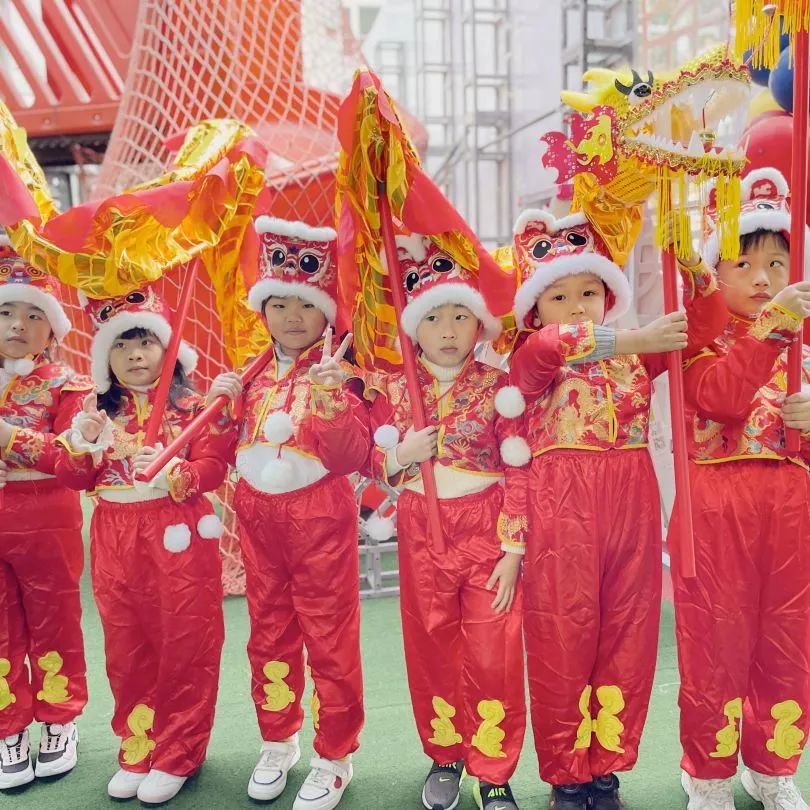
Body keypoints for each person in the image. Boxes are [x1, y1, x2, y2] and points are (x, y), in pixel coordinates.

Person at [508, 209, 728, 810]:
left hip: (631, 498)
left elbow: (703, 328)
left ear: (607, 295)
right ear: (535, 307)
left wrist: (691, 266)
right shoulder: (531, 357)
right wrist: (637, 337)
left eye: (589, 292)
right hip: (562, 507)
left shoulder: (634, 359)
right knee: (561, 634)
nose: (577, 305)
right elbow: (555, 345)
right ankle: (566, 774)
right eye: (560, 295)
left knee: (627, 637)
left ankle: (605, 767)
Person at [208, 217, 369, 810]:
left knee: (329, 638)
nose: (293, 316)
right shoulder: (249, 375)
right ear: (263, 310)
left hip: (320, 518)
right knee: (268, 634)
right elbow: (222, 455)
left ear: (327, 309)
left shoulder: (344, 371)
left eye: (306, 303)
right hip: (256, 520)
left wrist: (332, 397)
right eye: (279, 304)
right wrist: (221, 410)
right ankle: (279, 740)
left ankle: (336, 755)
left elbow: (354, 454)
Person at [365, 234, 530, 810]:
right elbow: (367, 462)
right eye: (434, 316)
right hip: (420, 526)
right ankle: (445, 755)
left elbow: (519, 471)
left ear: (479, 325)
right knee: (431, 642)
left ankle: (495, 770)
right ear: (415, 327)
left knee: (494, 651)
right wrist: (399, 456)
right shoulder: (391, 387)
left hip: (486, 529)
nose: (449, 328)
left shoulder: (499, 386)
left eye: (461, 315)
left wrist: (513, 549)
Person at [55, 285, 229, 804]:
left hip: (177, 533)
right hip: (114, 534)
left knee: (185, 641)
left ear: (169, 350)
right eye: (122, 343)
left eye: (147, 342)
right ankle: (138, 743)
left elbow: (214, 467)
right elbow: (72, 476)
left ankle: (180, 751)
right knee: (127, 646)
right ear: (105, 354)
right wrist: (83, 440)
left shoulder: (199, 407)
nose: (135, 354)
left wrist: (178, 471)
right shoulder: (93, 408)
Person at [673, 169, 810, 810]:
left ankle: (774, 765)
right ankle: (707, 775)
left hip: (790, 511)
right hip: (716, 507)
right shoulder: (697, 342)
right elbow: (722, 400)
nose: (763, 278)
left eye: (778, 263)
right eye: (744, 263)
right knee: (715, 646)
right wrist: (773, 331)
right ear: (714, 273)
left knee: (789, 643)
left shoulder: (804, 348)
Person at [0, 243, 91, 788]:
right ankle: (8, 723)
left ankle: (59, 718)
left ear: (52, 330)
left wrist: (9, 438)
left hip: (47, 514)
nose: (18, 324)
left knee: (54, 618)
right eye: (6, 311)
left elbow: (72, 457)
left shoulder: (68, 384)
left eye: (34, 314)